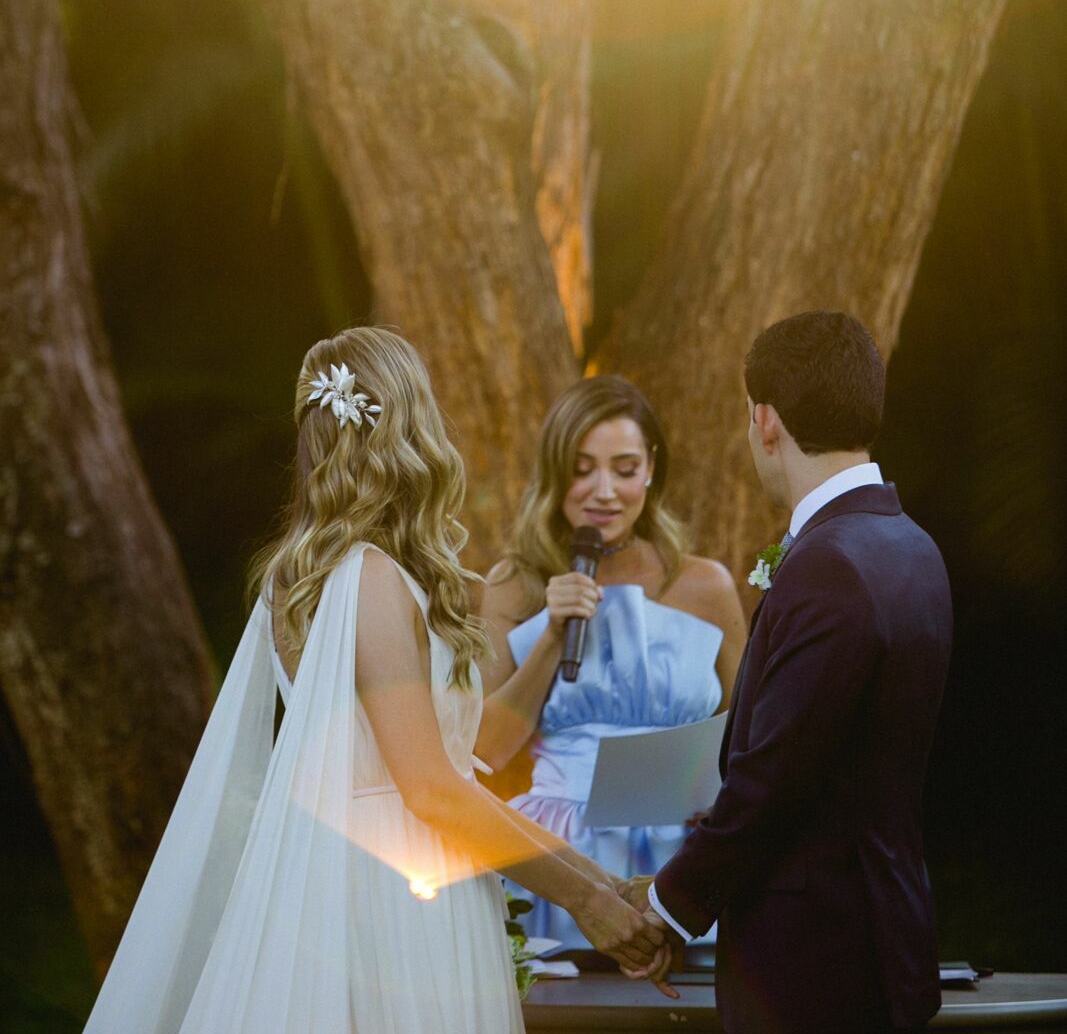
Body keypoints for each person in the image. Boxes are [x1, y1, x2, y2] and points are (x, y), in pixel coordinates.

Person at [82, 327, 665, 1034]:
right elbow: (431, 789)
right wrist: (582, 902)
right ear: (409, 423)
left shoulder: (301, 577)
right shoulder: (371, 578)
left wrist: (600, 881)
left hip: (359, 882)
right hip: (386, 904)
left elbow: (453, 776)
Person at [633, 311, 953, 1034]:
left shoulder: (828, 565)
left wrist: (664, 908)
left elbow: (772, 778)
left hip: (811, 963)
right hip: (883, 931)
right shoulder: (912, 547)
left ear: (765, 420)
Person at [477, 374, 747, 950]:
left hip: (682, 856)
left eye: (624, 469)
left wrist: (720, 800)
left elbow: (752, 733)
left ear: (650, 467)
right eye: (582, 468)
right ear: (555, 471)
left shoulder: (706, 586)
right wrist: (552, 635)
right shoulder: (512, 584)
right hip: (562, 854)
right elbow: (485, 749)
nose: (604, 490)